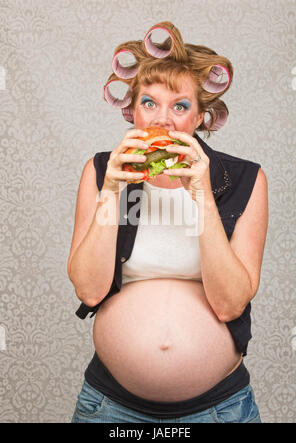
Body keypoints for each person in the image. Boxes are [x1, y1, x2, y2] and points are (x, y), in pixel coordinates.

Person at [68, 21, 268, 423]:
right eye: (149, 103)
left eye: (179, 106)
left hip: (219, 410)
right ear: (132, 110)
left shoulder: (244, 180)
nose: (163, 119)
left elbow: (230, 304)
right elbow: (90, 291)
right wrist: (111, 190)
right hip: (111, 408)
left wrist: (201, 194)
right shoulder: (102, 170)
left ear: (199, 116)